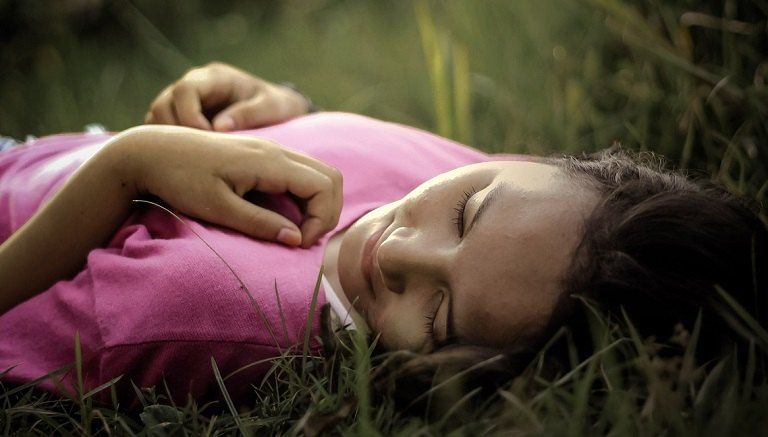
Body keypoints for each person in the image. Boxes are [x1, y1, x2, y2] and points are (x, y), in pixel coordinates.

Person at [0, 63, 765, 407]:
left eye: (438, 315)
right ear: (542, 165)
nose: (396, 252)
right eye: (466, 213)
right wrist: (281, 108)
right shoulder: (515, 213)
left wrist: (129, 165)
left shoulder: (201, 311)